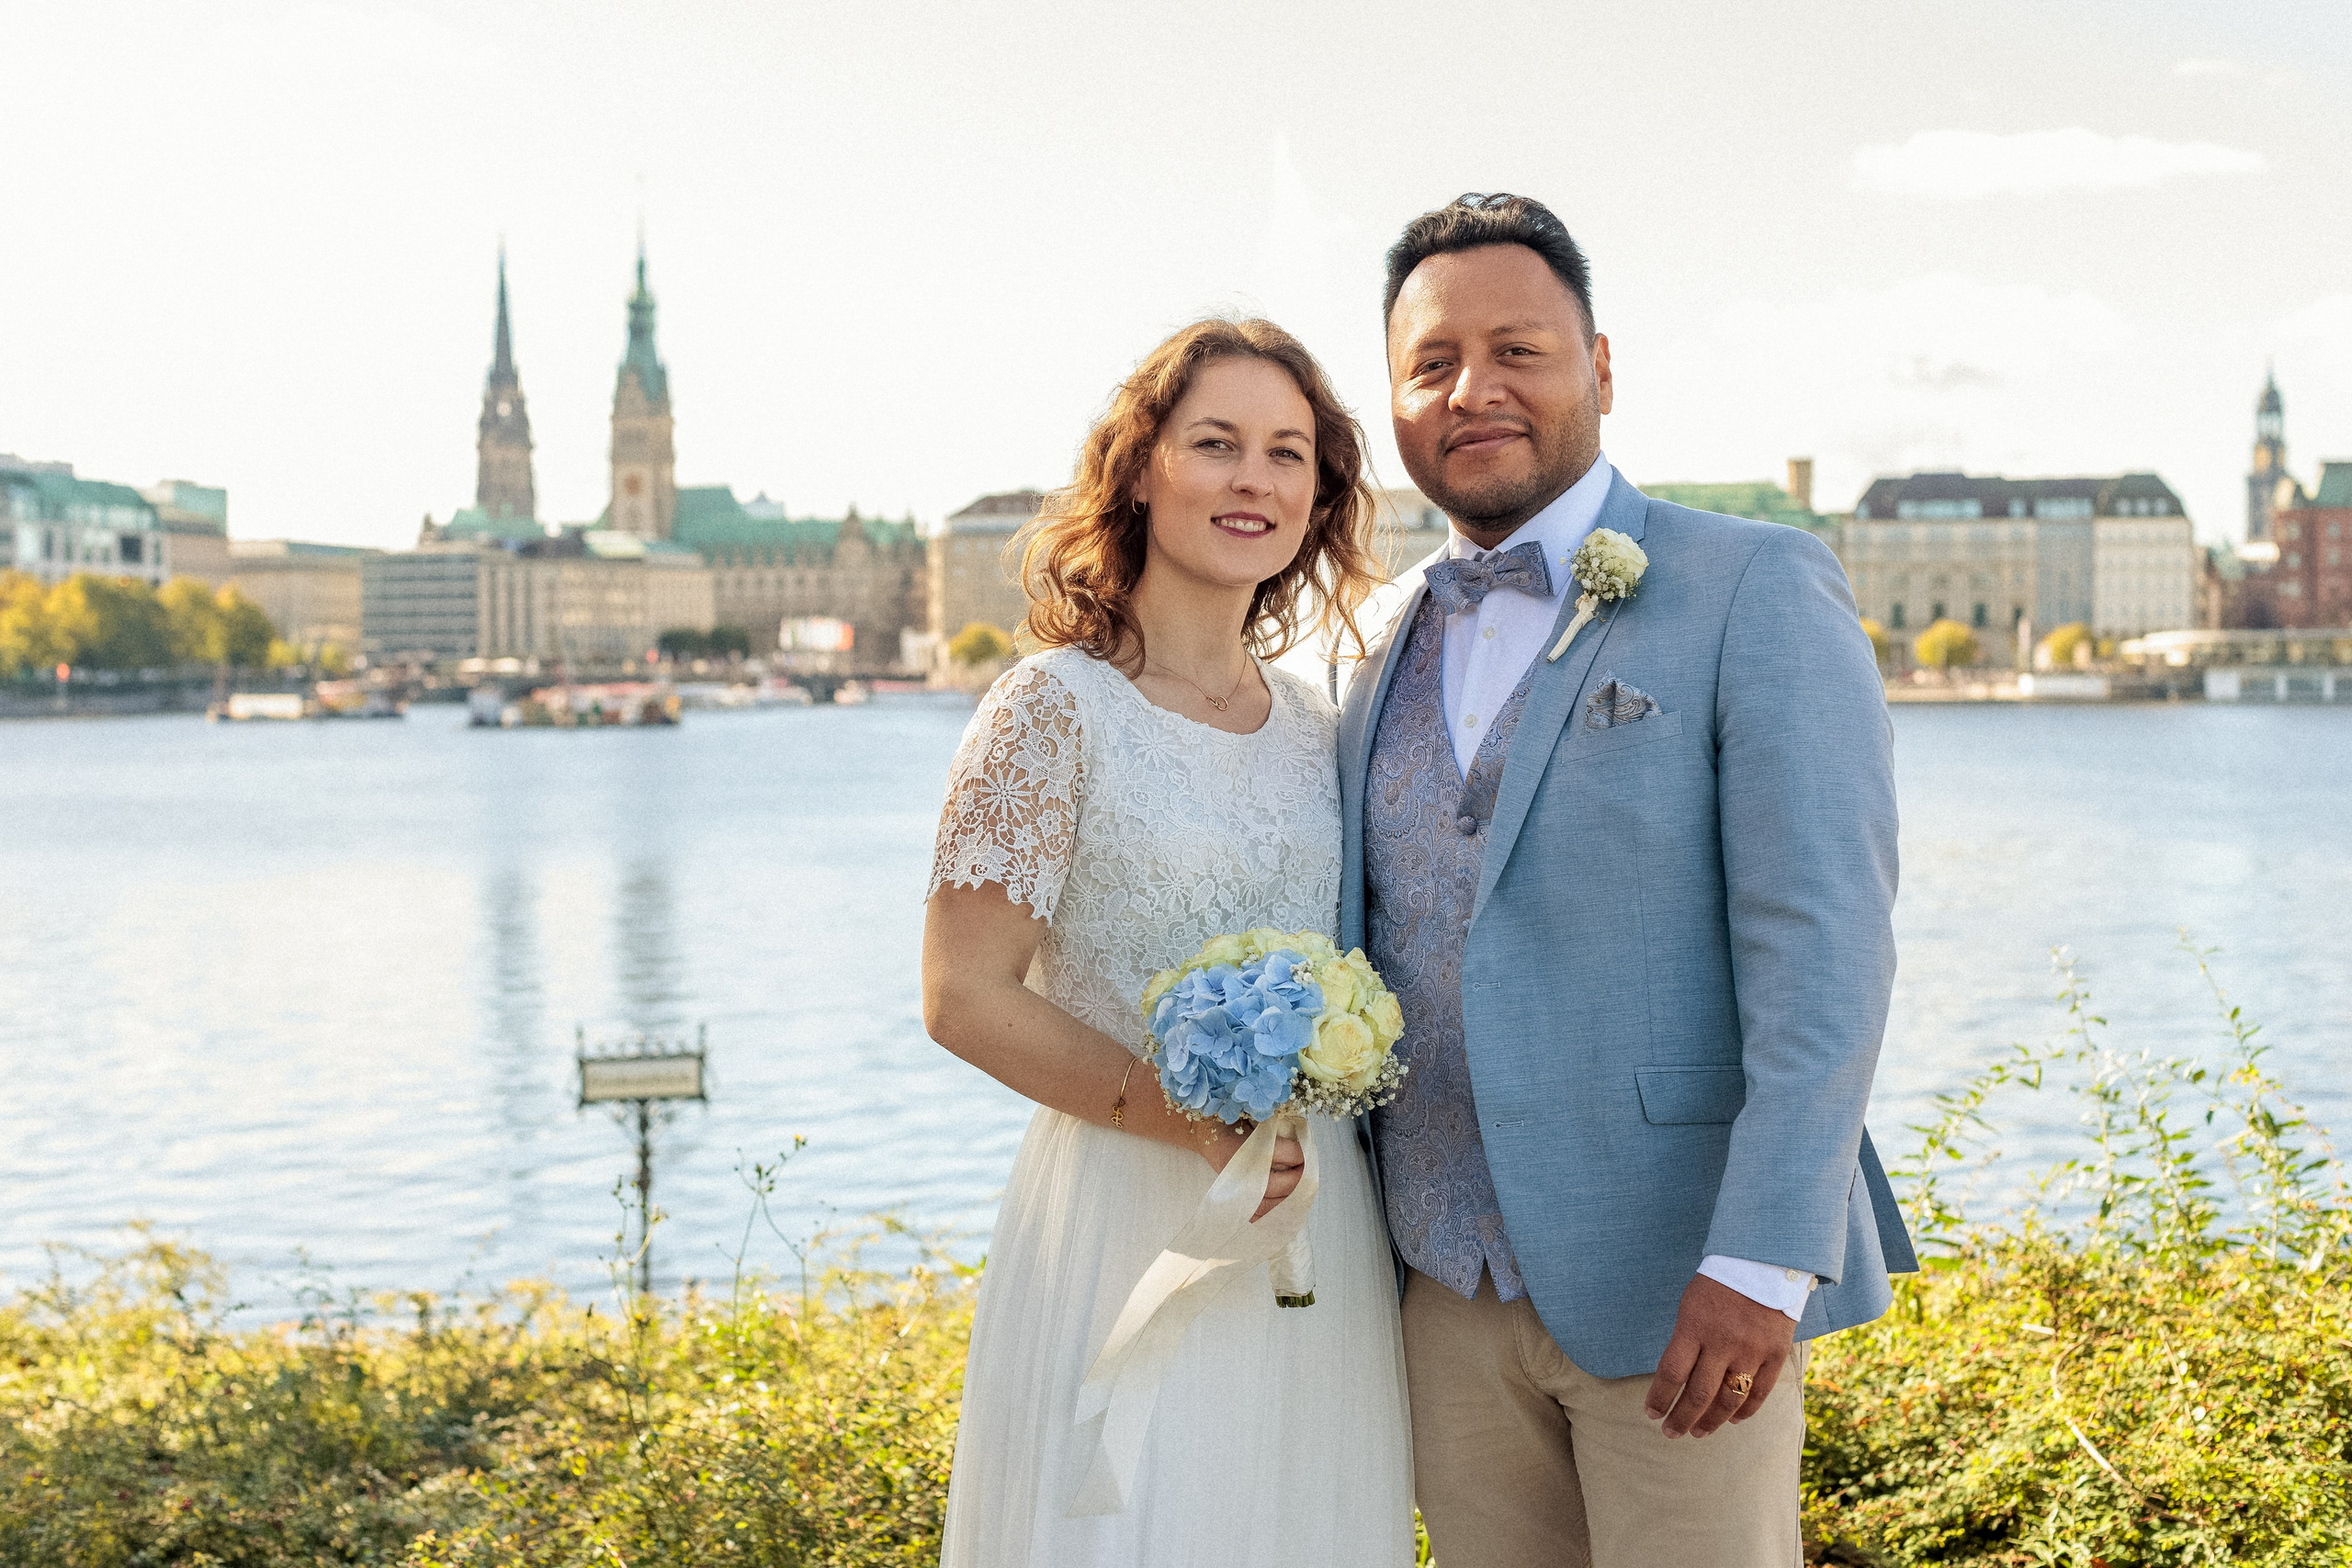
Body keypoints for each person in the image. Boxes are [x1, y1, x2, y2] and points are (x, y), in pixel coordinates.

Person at [1339, 193, 1917, 1567]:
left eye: (1519, 350)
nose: (1473, 390)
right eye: (1431, 366)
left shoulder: (1754, 586)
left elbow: (1826, 947)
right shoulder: (1378, 633)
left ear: (1602, 367)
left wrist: (1762, 1263)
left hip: (1682, 1292)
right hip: (1434, 1290)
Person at [922, 318, 1416, 1566]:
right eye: (1216, 443)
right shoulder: (1052, 708)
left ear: (1319, 495)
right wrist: (1183, 1118)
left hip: (1318, 1224)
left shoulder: (1319, 728)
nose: (1254, 478)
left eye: (1287, 453)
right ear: (1142, 467)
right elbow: (963, 994)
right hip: (1124, 1210)